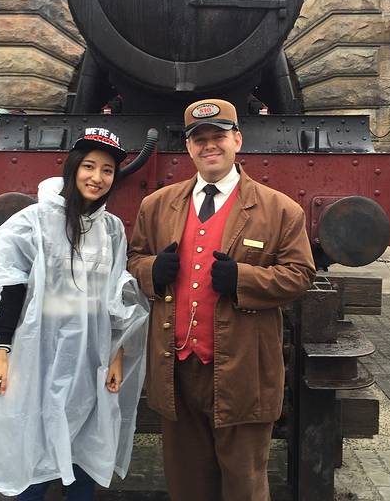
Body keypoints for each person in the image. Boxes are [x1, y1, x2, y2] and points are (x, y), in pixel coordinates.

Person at [128, 99, 316, 501]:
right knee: (187, 484)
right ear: (188, 147)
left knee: (244, 484)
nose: (209, 145)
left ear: (237, 141)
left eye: (219, 136)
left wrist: (242, 279)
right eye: (200, 139)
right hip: (176, 369)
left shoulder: (280, 209)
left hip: (243, 368)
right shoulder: (156, 205)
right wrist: (151, 271)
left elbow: (300, 274)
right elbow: (135, 259)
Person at [0, 128, 149, 500]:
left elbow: (115, 296)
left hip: (89, 356)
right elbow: (11, 289)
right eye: (89, 166)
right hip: (35, 351)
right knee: (31, 439)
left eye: (107, 170)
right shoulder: (34, 222)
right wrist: (2, 355)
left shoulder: (111, 230)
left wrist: (117, 354)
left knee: (84, 441)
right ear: (73, 168)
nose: (97, 177)